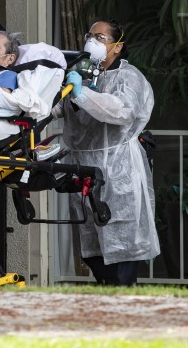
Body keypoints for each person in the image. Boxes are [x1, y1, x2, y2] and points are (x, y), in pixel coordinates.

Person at [59, 19, 159, 285]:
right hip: (84, 168)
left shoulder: (129, 77)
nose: (92, 41)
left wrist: (83, 95)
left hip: (118, 169)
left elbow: (123, 110)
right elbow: (60, 107)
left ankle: (124, 302)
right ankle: (108, 298)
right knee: (92, 244)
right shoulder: (81, 73)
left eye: (100, 38)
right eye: (90, 35)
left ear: (118, 46)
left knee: (122, 243)